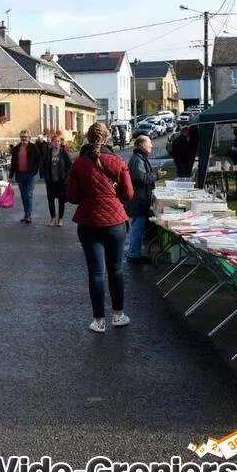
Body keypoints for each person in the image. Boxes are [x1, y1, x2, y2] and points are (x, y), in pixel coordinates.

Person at [67, 122, 134, 333]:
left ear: (88, 138)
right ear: (107, 138)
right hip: (115, 222)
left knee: (95, 273)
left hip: (89, 222)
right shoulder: (118, 162)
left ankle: (98, 321)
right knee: (116, 270)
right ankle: (118, 314)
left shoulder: (79, 164)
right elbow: (129, 194)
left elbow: (72, 197)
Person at [126, 136, 164, 264]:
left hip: (141, 198)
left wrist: (153, 173)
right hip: (139, 200)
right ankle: (133, 255)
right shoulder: (137, 160)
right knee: (137, 227)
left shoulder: (139, 158)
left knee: (139, 227)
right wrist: (156, 175)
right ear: (142, 146)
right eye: (149, 144)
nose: (151, 146)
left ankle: (135, 253)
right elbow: (141, 178)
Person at [39, 134, 72, 227]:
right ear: (52, 142)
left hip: (61, 181)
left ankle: (60, 219)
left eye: (58, 141)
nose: (57, 143)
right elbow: (43, 164)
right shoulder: (48, 152)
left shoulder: (63, 152)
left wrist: (66, 176)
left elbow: (70, 165)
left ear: (60, 143)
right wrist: (44, 175)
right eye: (55, 141)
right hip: (50, 181)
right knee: (51, 200)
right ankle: (53, 218)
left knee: (61, 200)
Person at [9, 130, 41, 224]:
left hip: (30, 174)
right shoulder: (16, 148)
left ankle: (28, 215)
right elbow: (13, 163)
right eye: (22, 137)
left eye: (25, 137)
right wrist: (11, 175)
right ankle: (26, 214)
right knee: (23, 196)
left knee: (28, 194)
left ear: (29, 137)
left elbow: (38, 159)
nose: (24, 138)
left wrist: (35, 171)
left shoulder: (33, 147)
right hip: (20, 174)